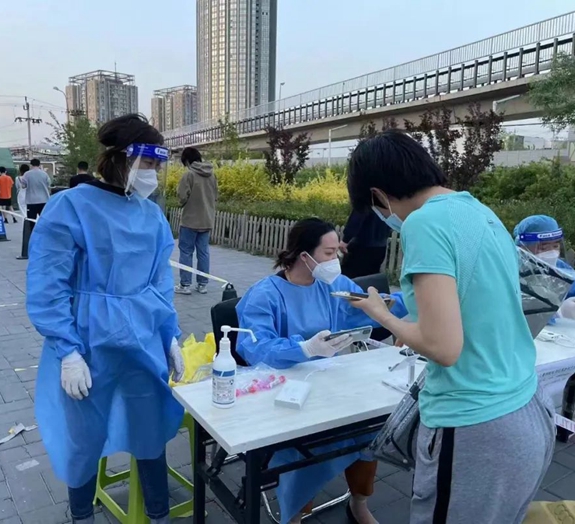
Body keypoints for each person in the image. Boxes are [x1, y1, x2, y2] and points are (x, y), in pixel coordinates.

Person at [346, 130, 555, 524]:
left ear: (378, 195)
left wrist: (381, 314)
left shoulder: (424, 224)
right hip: (527, 405)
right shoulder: (478, 211)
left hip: (476, 424)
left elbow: (443, 347)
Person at [26, 114, 184, 524]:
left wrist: (170, 335)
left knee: (150, 427)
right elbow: (48, 285)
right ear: (120, 158)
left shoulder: (150, 215)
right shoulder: (70, 207)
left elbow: (160, 282)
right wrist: (66, 351)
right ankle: (81, 514)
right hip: (89, 342)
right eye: (147, 164)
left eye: (158, 166)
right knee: (83, 436)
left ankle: (159, 513)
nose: (152, 174)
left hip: (143, 339)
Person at [236, 218, 407, 524]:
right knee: (303, 445)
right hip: (286, 391)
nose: (335, 260)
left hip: (331, 381)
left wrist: (415, 298)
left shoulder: (335, 286)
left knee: (368, 428)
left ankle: (359, 502)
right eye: (328, 253)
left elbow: (373, 308)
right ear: (305, 256)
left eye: (336, 251)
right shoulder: (265, 295)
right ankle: (295, 512)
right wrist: (304, 349)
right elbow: (255, 347)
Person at [514, 214, 575, 319]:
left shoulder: (558, 267)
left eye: (555, 246)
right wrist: (558, 312)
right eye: (543, 247)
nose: (551, 253)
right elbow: (512, 310)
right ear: (522, 247)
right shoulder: (511, 269)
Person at [174, 147, 218, 295]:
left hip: (190, 221)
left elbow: (182, 196)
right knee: (203, 253)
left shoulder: (189, 175)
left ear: (187, 160)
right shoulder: (212, 175)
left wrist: (183, 202)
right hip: (207, 220)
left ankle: (185, 285)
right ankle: (202, 284)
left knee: (186, 252)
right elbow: (215, 196)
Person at [339, 209, 390, 278]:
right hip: (380, 246)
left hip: (362, 245)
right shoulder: (387, 203)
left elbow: (357, 217)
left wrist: (345, 240)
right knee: (370, 277)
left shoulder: (366, 203)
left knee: (350, 277)